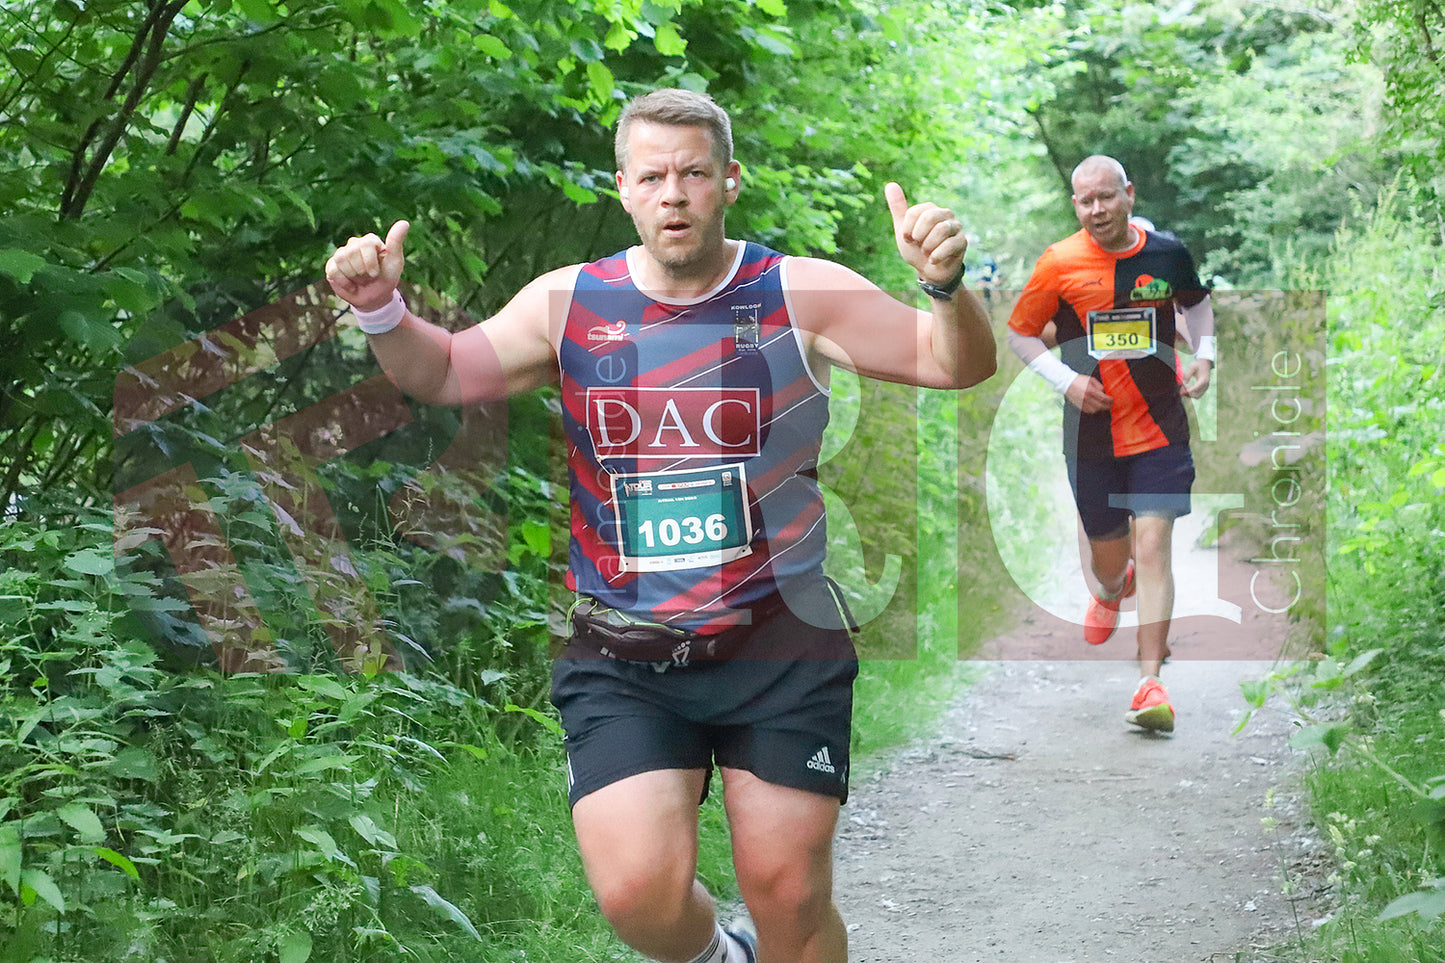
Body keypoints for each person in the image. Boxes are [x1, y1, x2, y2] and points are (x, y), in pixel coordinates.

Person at [325, 89, 996, 963]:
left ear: (729, 181)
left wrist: (942, 286)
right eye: (651, 176)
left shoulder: (799, 291)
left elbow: (954, 362)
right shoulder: (570, 302)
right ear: (622, 188)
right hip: (623, 650)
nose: (672, 193)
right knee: (638, 894)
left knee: (789, 893)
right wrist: (380, 308)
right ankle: (724, 955)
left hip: (778, 641)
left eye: (693, 173)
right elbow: (446, 372)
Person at [1006, 155, 1215, 733]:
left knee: (1153, 545)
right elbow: (1021, 332)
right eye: (1085, 201)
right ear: (1075, 205)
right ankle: (1110, 587)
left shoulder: (1167, 254)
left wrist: (1205, 356)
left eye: (1106, 197)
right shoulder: (1059, 263)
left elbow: (1196, 303)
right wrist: (1066, 381)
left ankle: (1151, 683)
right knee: (1112, 564)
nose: (1096, 209)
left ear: (1129, 194)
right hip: (1091, 434)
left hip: (1159, 425)